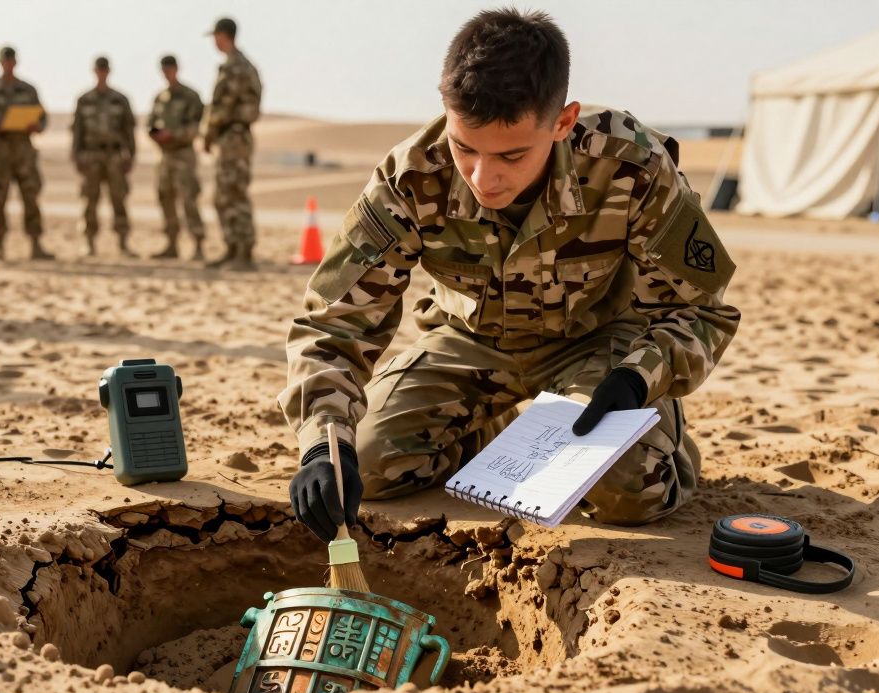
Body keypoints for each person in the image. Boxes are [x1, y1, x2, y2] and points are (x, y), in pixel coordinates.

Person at [280, 9, 741, 542]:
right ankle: (497, 433)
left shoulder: (630, 162)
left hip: (596, 348)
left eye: (512, 154)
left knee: (629, 493)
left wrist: (638, 378)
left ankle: (664, 436)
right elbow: (334, 324)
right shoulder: (410, 176)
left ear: (563, 123)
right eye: (464, 147)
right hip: (468, 343)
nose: (483, 177)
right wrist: (322, 442)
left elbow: (701, 309)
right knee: (366, 463)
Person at [0, 46, 52, 260]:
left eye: (11, 61)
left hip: (24, 151)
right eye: (5, 61)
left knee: (31, 196)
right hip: (0, 150)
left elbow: (42, 118)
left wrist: (35, 125)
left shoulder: (28, 90)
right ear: (0, 63)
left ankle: (35, 243)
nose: (8, 65)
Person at [204, 17, 261, 270]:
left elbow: (224, 105)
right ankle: (232, 247)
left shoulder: (236, 67)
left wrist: (209, 132)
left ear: (223, 35)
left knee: (234, 193)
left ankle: (243, 251)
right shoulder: (238, 65)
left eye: (215, 36)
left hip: (233, 136)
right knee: (224, 194)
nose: (214, 42)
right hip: (230, 137)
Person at [71, 56, 135, 257]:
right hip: (91, 156)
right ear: (94, 71)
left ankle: (123, 243)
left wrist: (130, 156)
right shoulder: (84, 100)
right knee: (90, 200)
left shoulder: (120, 100)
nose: (102, 73)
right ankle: (89, 243)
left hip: (114, 156)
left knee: (119, 199)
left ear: (108, 71)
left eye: (104, 70)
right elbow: (77, 132)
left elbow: (129, 131)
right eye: (99, 69)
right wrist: (76, 156)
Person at [147, 55, 205, 261]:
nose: (167, 73)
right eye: (164, 70)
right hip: (164, 155)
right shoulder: (159, 98)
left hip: (183, 154)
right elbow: (151, 124)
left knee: (189, 199)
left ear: (177, 69)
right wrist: (156, 135)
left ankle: (198, 243)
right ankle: (171, 243)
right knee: (165, 198)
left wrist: (175, 134)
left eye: (169, 69)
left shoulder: (190, 96)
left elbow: (196, 126)